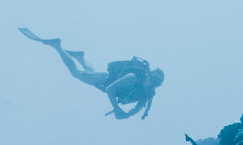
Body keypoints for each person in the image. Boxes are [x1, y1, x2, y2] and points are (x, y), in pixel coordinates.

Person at [19, 28, 164, 119]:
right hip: (106, 81)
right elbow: (110, 89)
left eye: (154, 83)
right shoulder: (132, 78)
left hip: (104, 83)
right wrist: (116, 108)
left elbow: (137, 109)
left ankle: (81, 57)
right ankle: (57, 46)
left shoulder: (147, 94)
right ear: (148, 75)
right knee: (77, 73)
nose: (151, 84)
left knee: (90, 73)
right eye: (152, 79)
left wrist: (126, 114)